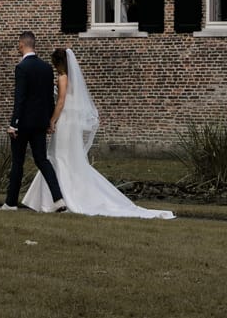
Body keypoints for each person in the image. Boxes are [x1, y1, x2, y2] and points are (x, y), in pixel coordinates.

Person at [22, 47, 175, 220]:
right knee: (65, 157)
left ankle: (57, 199)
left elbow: (61, 101)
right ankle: (55, 197)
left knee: (58, 156)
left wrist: (52, 120)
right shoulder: (73, 79)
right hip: (72, 121)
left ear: (58, 64)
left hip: (65, 120)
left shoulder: (63, 78)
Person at [5, 32, 66, 212]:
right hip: (40, 123)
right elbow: (49, 99)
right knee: (42, 160)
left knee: (18, 162)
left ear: (23, 45)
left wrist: (13, 123)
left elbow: (20, 98)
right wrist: (48, 120)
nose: (18, 47)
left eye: (18, 44)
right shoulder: (47, 68)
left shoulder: (22, 68)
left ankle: (10, 203)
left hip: (23, 123)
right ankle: (58, 199)